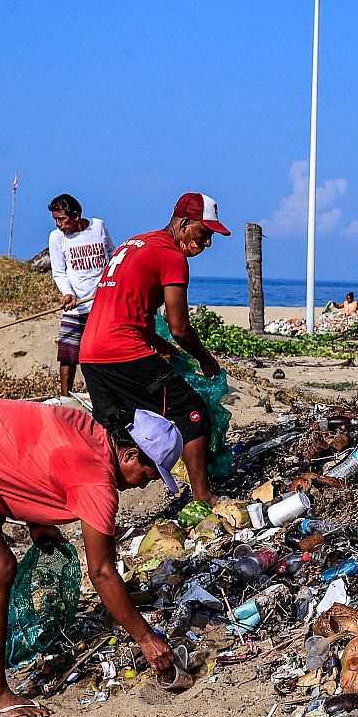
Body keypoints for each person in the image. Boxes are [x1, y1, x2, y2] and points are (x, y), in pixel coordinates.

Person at [0, 398, 182, 717]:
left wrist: (38, 523)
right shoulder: (98, 481)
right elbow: (102, 572)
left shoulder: (80, 424)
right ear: (128, 454)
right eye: (147, 475)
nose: (142, 485)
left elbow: (27, 450)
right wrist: (146, 638)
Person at [78, 192, 229, 505]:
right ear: (185, 224)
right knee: (192, 411)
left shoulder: (136, 243)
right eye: (205, 234)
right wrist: (207, 361)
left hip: (91, 353)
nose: (207, 244)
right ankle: (203, 497)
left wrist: (164, 349)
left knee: (114, 432)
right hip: (123, 350)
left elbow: (137, 314)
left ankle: (98, 507)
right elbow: (180, 328)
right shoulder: (171, 255)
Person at [47, 194, 115, 398]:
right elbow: (59, 272)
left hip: (102, 306)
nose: (59, 224)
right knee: (68, 356)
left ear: (76, 215)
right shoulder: (56, 238)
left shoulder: (98, 226)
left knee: (102, 355)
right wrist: (68, 293)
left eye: (61, 219)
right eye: (56, 220)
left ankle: (105, 396)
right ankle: (65, 398)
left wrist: (112, 284)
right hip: (76, 307)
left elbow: (112, 254)